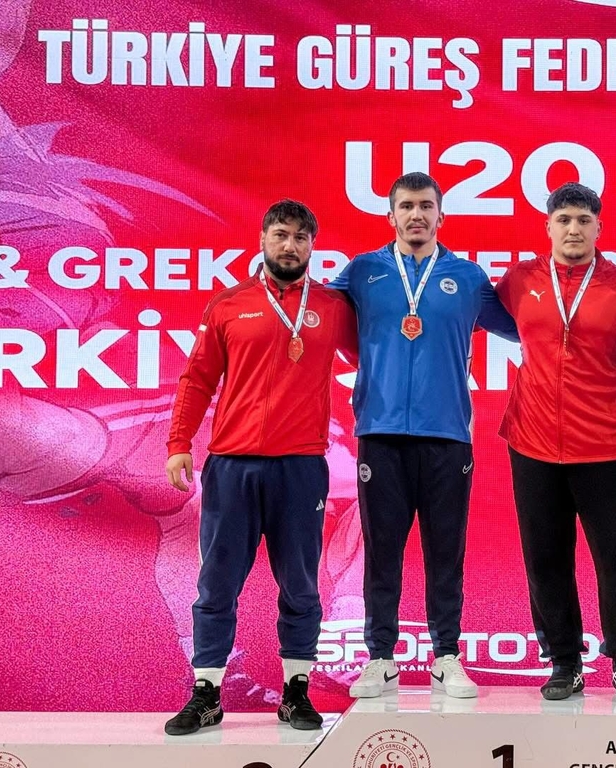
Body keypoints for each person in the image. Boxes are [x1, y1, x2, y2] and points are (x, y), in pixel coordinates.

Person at [163, 200, 358, 734]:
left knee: (300, 584)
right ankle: (207, 693)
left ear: (313, 245)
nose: (290, 245)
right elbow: (197, 379)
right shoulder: (229, 304)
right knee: (217, 583)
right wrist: (179, 442)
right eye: (280, 234)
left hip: (301, 468)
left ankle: (296, 691)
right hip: (232, 466)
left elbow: (378, 357)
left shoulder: (332, 307)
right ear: (263, 239)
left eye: (300, 237)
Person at [329, 172, 518, 699]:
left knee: (445, 551)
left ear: (441, 215)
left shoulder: (468, 277)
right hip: (380, 432)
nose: (416, 215)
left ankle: (447, 656)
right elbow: (311, 315)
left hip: (447, 435)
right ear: (390, 215)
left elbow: (528, 326)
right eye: (407, 206)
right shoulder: (362, 272)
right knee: (382, 551)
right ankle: (380, 658)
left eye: (426, 206)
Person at [495, 183, 616, 703]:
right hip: (533, 442)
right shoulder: (520, 280)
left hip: (608, 446)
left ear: (599, 227)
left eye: (584, 220)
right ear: (548, 226)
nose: (574, 229)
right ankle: (564, 661)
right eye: (564, 219)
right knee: (545, 560)